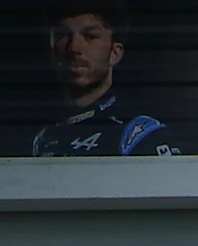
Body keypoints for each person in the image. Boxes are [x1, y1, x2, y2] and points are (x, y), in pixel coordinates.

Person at [33, 7, 178, 155]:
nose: (74, 47)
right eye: (62, 35)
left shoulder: (142, 135)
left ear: (115, 53)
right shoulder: (44, 139)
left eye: (90, 36)